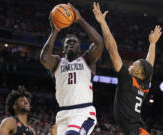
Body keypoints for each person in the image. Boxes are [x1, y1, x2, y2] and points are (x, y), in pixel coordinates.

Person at [93, 2, 162, 135]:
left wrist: (103, 23)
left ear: (139, 72)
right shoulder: (144, 85)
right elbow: (149, 66)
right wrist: (152, 44)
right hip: (138, 131)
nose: (131, 64)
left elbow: (112, 50)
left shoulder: (128, 81)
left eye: (135, 63)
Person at [40, 3, 104, 135]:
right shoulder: (57, 62)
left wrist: (80, 19)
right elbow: (44, 58)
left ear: (80, 48)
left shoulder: (87, 60)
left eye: (74, 42)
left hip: (83, 112)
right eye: (68, 42)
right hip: (63, 115)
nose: (71, 43)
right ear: (63, 49)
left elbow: (99, 43)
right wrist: (55, 31)